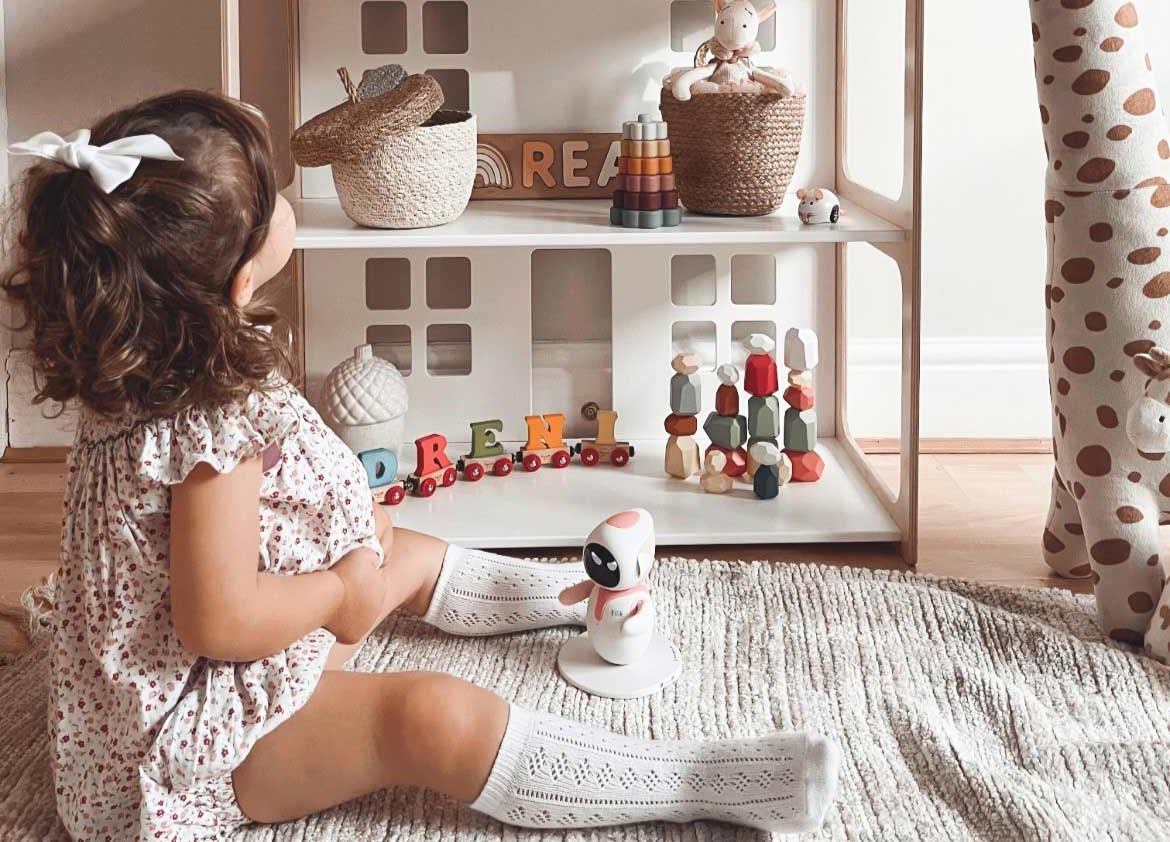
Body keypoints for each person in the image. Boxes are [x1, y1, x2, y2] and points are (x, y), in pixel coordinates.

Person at [3, 90, 840, 840]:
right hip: (195, 741)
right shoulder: (207, 422)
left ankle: (583, 593)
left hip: (214, 653)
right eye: (276, 202)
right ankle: (699, 778)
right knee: (423, 716)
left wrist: (345, 548)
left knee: (403, 552)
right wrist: (339, 592)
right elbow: (216, 620)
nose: (290, 206)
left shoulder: (146, 364)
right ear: (239, 270)